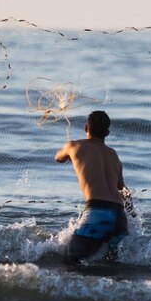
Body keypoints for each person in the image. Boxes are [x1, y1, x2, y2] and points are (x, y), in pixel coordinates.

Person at [55, 110, 128, 265]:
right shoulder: (114, 155)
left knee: (70, 260)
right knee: (112, 264)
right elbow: (122, 189)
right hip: (119, 216)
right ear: (107, 132)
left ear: (86, 128)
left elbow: (58, 158)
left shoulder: (73, 145)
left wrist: (69, 152)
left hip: (98, 213)